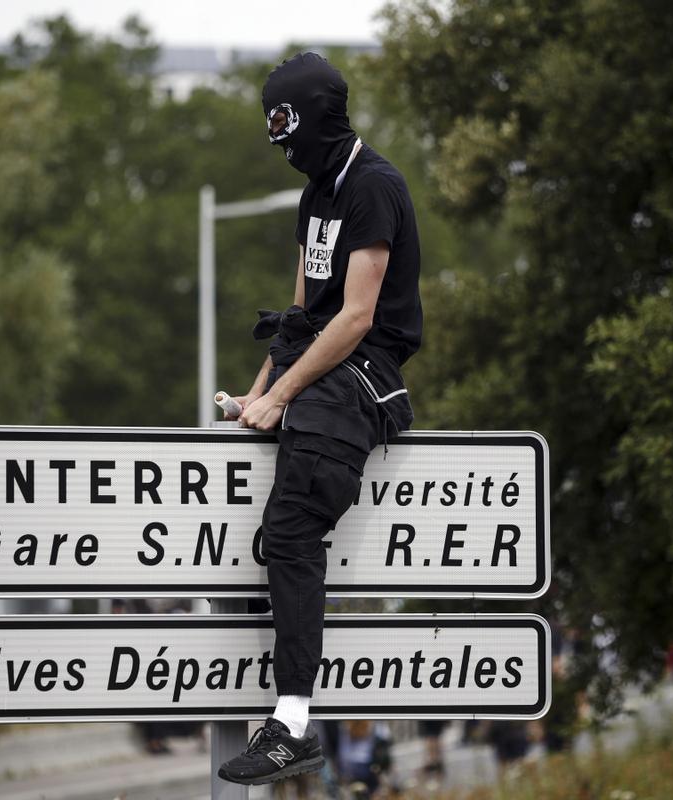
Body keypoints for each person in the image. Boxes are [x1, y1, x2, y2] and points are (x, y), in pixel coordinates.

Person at [216, 52, 422, 786]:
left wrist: (284, 398)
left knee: (295, 528)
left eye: (286, 126)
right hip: (322, 364)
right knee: (274, 534)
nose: (283, 144)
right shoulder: (315, 200)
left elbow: (357, 318)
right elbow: (305, 319)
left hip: (366, 371)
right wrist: (255, 396)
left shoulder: (373, 186)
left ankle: (293, 724)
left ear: (313, 116)